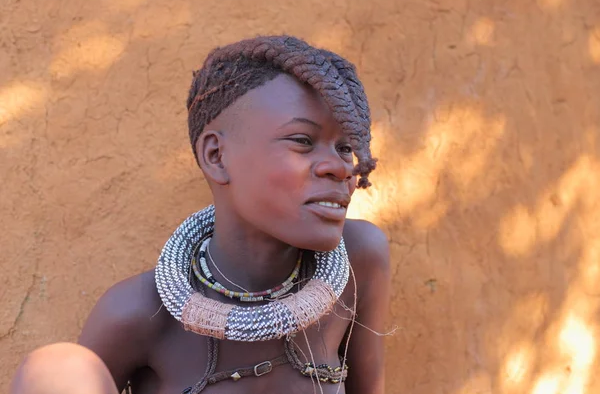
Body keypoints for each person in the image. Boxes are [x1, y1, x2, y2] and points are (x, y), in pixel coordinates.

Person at [11, 35, 391, 394]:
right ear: (216, 156)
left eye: (345, 147)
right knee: (55, 370)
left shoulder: (359, 260)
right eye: (303, 141)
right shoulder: (140, 313)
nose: (341, 168)